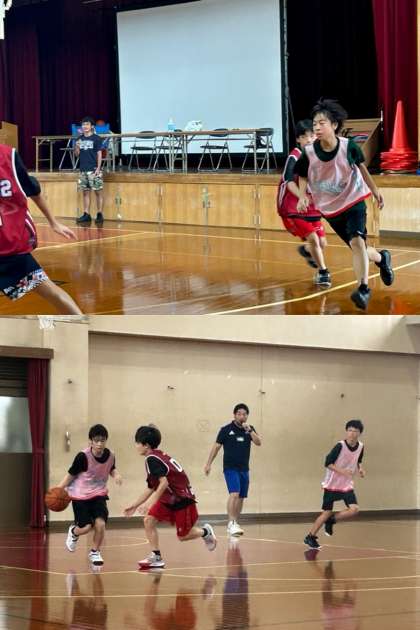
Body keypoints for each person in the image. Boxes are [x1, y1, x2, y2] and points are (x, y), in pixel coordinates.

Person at [295, 98, 394, 310]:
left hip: (353, 199)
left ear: (334, 125)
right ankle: (381, 258)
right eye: (315, 124)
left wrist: (375, 190)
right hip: (330, 208)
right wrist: (302, 196)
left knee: (357, 242)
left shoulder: (349, 147)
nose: (317, 127)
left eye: (322, 123)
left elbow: (362, 169)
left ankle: (363, 289)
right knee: (359, 248)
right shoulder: (309, 152)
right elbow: (302, 174)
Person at [0, 144, 82, 313]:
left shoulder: (9, 156)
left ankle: (83, 324)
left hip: (9, 247)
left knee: (51, 291)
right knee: (52, 292)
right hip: (11, 246)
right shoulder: (8, 154)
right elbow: (34, 190)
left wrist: (53, 222)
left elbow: (33, 190)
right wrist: (53, 222)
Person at [124, 424, 217, 570]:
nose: (136, 446)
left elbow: (164, 483)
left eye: (137, 443)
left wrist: (150, 503)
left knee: (183, 536)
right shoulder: (157, 456)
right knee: (148, 520)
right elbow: (151, 487)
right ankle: (156, 557)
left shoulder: (152, 459)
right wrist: (135, 505)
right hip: (169, 498)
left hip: (182, 500)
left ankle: (205, 532)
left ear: (146, 445)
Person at [58, 424, 122, 566]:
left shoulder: (110, 455)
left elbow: (112, 468)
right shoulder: (83, 456)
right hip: (80, 495)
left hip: (98, 494)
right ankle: (74, 532)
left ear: (106, 441)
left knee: (101, 524)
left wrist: (116, 475)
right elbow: (70, 475)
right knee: (86, 527)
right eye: (96, 440)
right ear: (90, 441)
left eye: (102, 440)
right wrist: (58, 489)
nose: (99, 444)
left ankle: (95, 552)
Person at [277, 119, 330, 287]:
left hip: (311, 207)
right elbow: (288, 181)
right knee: (314, 239)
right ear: (298, 139)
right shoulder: (294, 156)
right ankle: (323, 273)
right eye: (304, 137)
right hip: (292, 206)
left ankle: (307, 251)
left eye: (312, 136)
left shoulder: (319, 156)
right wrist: (301, 196)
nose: (309, 139)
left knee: (322, 243)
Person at [304, 419, 365, 550]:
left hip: (346, 484)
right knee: (326, 512)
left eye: (355, 431)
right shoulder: (340, 446)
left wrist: (360, 468)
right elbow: (327, 463)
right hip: (332, 484)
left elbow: (358, 460)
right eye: (349, 430)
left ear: (359, 433)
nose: (352, 433)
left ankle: (332, 520)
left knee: (354, 509)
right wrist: (343, 471)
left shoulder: (361, 446)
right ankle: (310, 537)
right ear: (346, 431)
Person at [204, 403, 261, 536]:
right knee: (234, 494)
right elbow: (216, 447)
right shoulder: (226, 430)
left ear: (247, 416)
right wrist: (208, 464)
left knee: (241, 497)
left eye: (244, 414)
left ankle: (235, 522)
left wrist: (250, 431)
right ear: (234, 415)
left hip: (244, 469)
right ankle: (231, 522)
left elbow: (258, 442)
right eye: (239, 414)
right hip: (230, 468)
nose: (242, 416)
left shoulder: (250, 429)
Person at [74, 117, 104, 225]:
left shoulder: (96, 138)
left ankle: (99, 214)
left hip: (93, 169)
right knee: (85, 192)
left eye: (87, 124)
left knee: (98, 192)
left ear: (92, 126)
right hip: (83, 169)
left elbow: (99, 154)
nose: (85, 126)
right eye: (83, 124)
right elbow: (77, 154)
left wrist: (98, 168)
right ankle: (86, 214)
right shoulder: (79, 138)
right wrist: (77, 147)